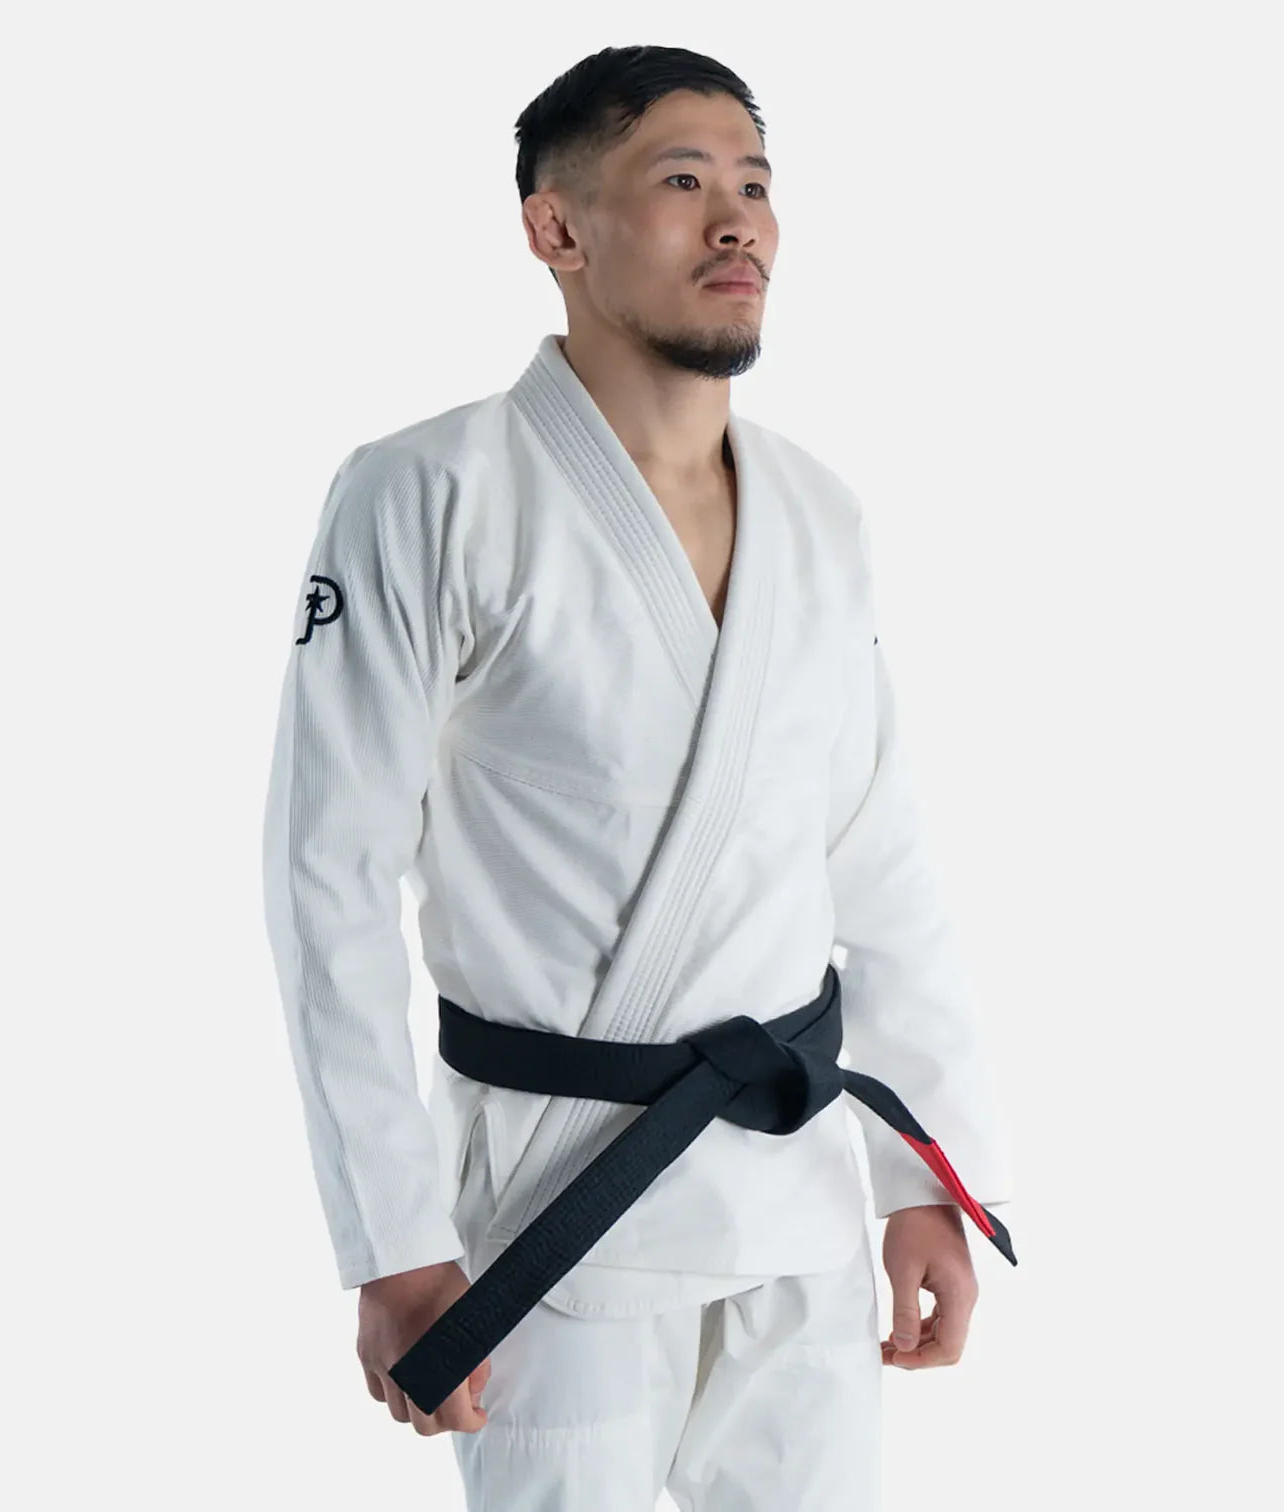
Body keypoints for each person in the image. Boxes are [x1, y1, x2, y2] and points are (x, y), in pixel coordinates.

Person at [261, 43, 1015, 1512]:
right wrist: (391, 1241)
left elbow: (879, 865)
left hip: (798, 1203)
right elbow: (327, 881)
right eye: (682, 181)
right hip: (559, 1212)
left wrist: (927, 1174)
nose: (738, 222)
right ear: (556, 228)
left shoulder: (819, 513)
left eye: (756, 185)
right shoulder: (429, 493)